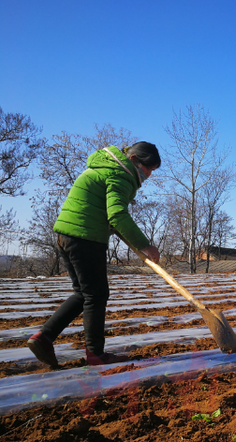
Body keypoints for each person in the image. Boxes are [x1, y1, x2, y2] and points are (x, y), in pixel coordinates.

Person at [27, 142, 161, 367]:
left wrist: (135, 245)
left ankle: (43, 338)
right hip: (86, 237)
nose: (148, 175)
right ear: (135, 160)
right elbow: (117, 214)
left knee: (84, 293)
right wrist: (145, 245)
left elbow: (110, 217)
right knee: (97, 295)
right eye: (149, 168)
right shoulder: (121, 175)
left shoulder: (102, 168)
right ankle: (96, 354)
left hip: (66, 235)